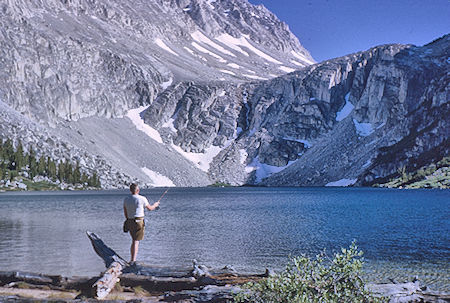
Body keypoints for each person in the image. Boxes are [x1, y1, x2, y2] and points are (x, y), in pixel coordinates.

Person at [123, 183, 160, 263]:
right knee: (136, 241)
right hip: (139, 221)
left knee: (133, 240)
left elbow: (125, 212)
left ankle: (132, 259)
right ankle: (133, 260)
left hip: (130, 220)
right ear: (138, 190)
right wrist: (155, 205)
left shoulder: (126, 199)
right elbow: (150, 208)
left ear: (130, 190)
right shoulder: (142, 198)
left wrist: (128, 220)